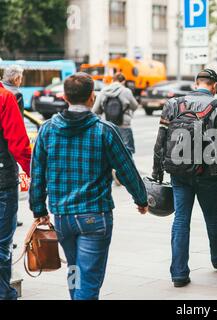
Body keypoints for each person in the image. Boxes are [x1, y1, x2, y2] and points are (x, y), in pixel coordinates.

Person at [29, 73, 149, 300]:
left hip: (63, 217)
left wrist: (38, 209)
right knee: (90, 280)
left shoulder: (47, 130)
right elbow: (126, 169)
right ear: (92, 97)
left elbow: (37, 173)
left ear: (64, 97)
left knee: (74, 269)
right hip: (95, 216)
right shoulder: (104, 130)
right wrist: (141, 199)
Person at [152, 69, 217, 288]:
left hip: (178, 173)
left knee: (181, 220)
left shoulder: (173, 104)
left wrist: (156, 174)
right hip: (210, 174)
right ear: (215, 86)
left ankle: (179, 273)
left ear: (196, 84)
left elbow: (160, 141)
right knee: (213, 217)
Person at [0, 82, 31, 300]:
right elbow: (19, 143)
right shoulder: (5, 98)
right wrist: (33, 173)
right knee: (2, 241)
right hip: (2, 180)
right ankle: (3, 292)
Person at [93, 72, 139, 155]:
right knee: (127, 152)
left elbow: (95, 110)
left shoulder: (103, 91)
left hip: (107, 125)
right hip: (124, 125)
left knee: (107, 152)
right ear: (123, 81)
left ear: (113, 80)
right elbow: (135, 106)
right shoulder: (126, 91)